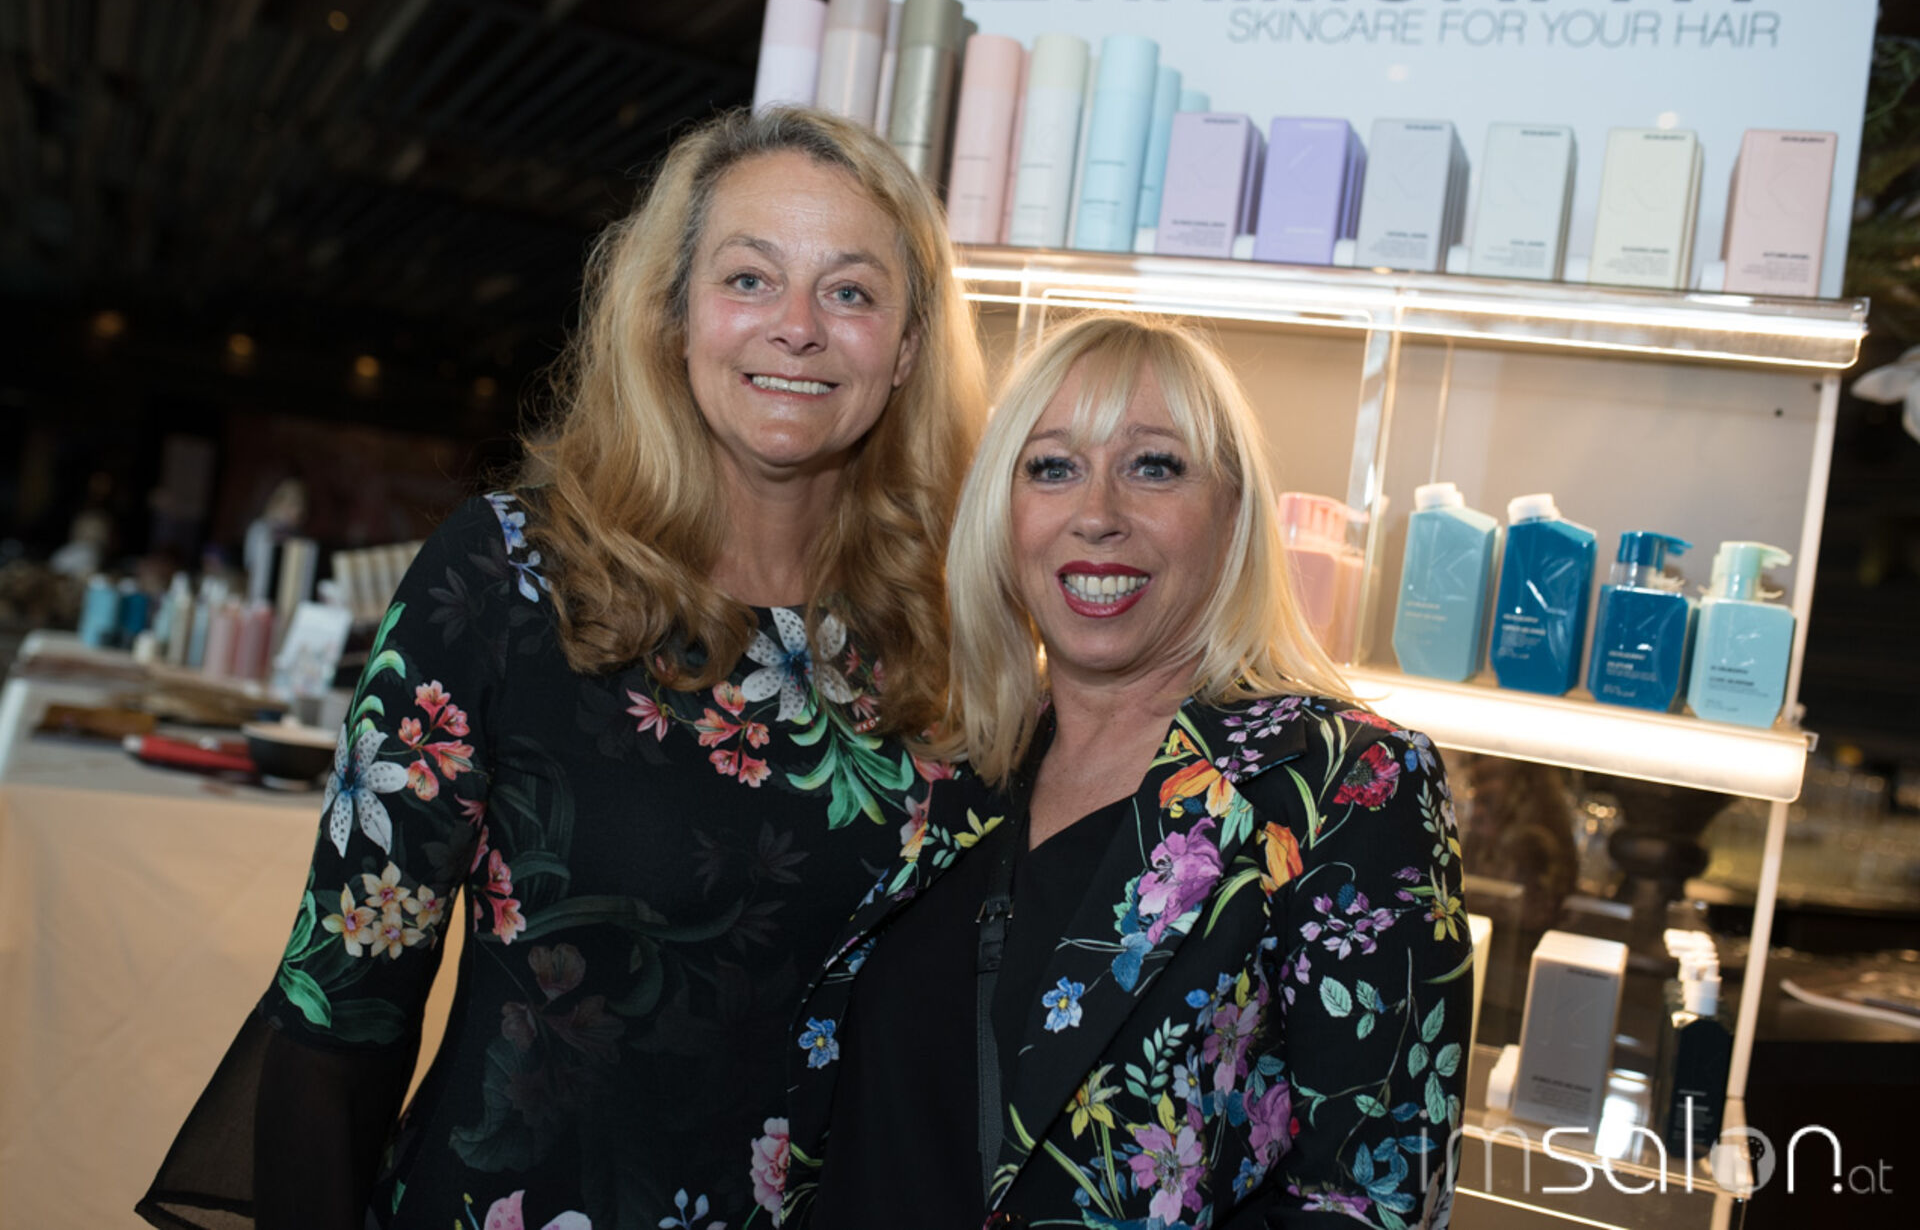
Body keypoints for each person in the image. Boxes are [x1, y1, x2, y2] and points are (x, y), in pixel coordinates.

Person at [138, 105, 986, 1230]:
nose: (797, 328)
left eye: (851, 292)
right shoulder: (507, 578)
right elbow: (344, 1008)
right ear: (672, 316)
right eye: (749, 279)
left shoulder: (947, 633)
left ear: (908, 347)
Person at [785, 315, 1474, 1228]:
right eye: (1052, 467)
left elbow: (1376, 1200)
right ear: (1002, 511)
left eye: (1154, 466)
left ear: (1233, 514)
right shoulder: (952, 761)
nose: (1098, 512)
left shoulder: (1347, 784)